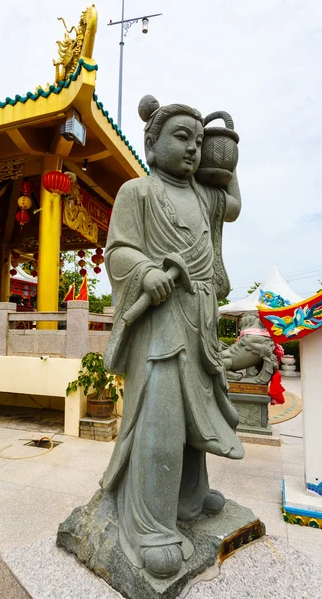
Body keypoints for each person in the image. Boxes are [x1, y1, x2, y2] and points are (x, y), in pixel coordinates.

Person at [102, 95, 245, 579]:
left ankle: (187, 497)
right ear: (152, 141)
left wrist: (225, 153)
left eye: (198, 141)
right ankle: (150, 524)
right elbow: (117, 251)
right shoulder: (137, 192)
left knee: (195, 417)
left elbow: (234, 205)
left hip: (199, 315)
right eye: (182, 138)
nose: (192, 149)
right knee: (162, 413)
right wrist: (143, 270)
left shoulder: (202, 196)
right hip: (160, 318)